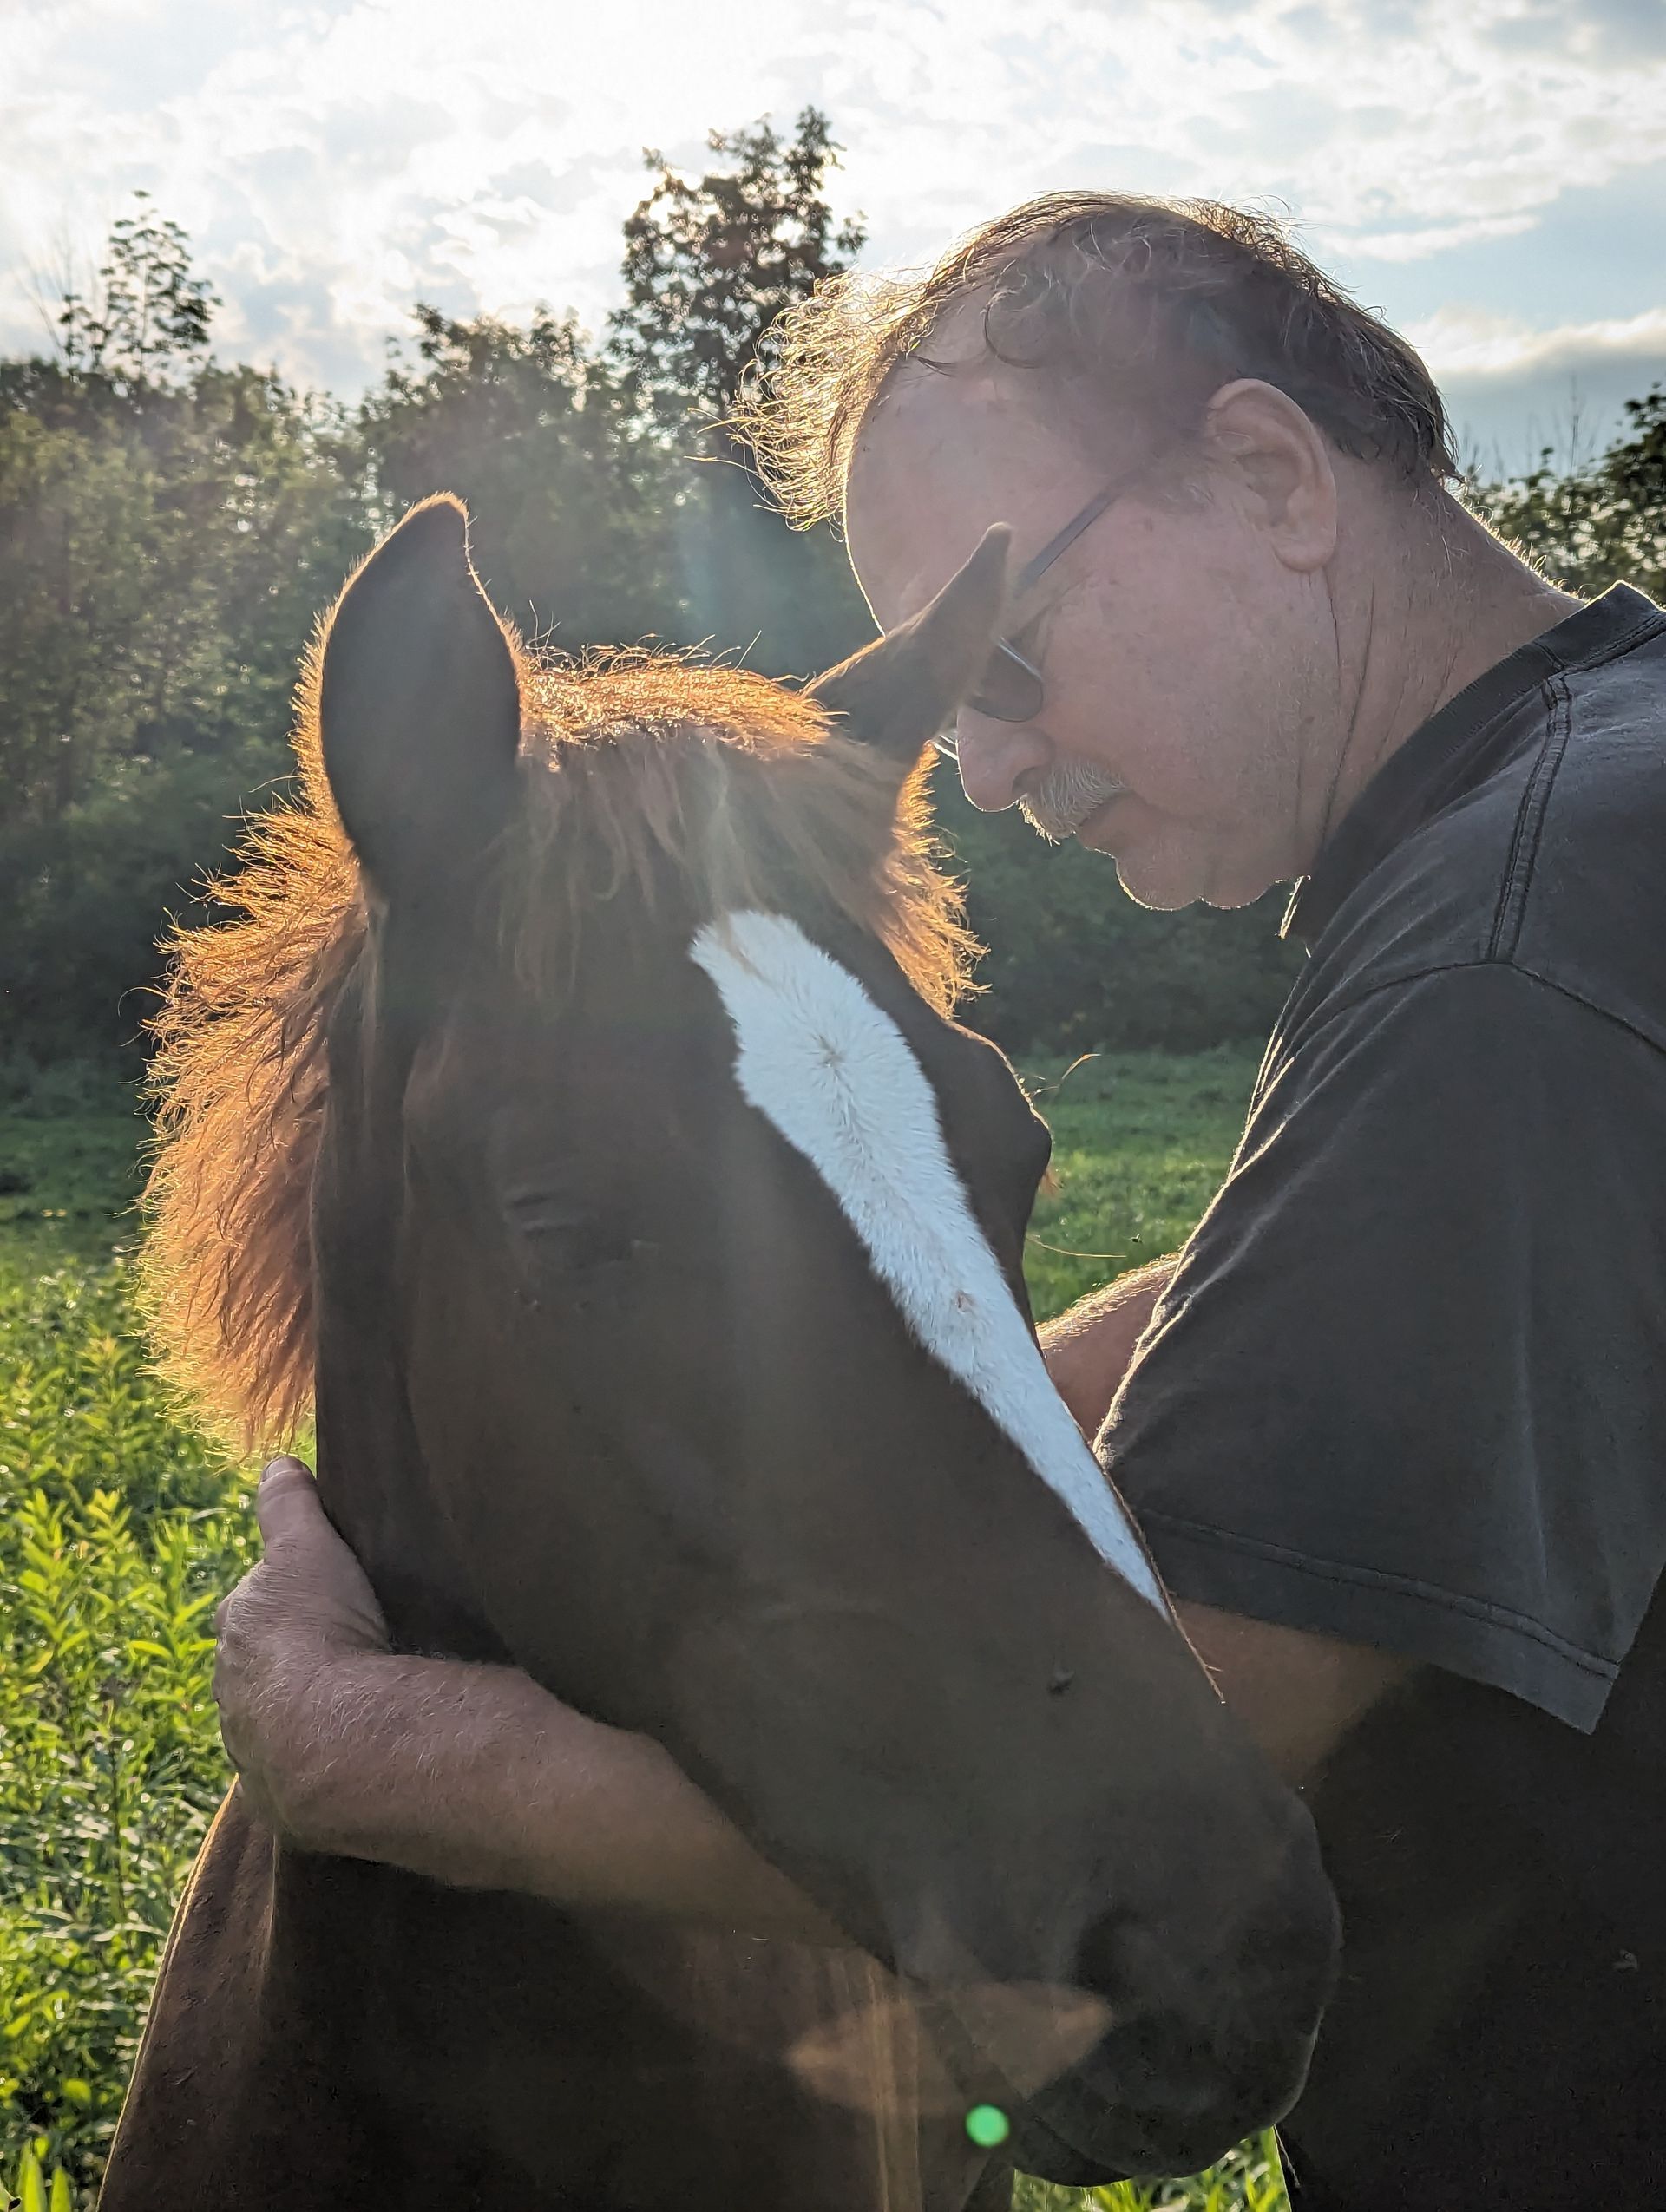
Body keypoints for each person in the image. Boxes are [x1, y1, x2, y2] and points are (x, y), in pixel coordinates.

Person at [212, 197, 1666, 2209]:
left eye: (1011, 658)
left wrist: (352, 1745)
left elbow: (1177, 1737)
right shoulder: (1587, 821)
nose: (978, 769)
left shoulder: (1508, 947)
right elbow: (1390, 1307)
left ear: (1265, 474)